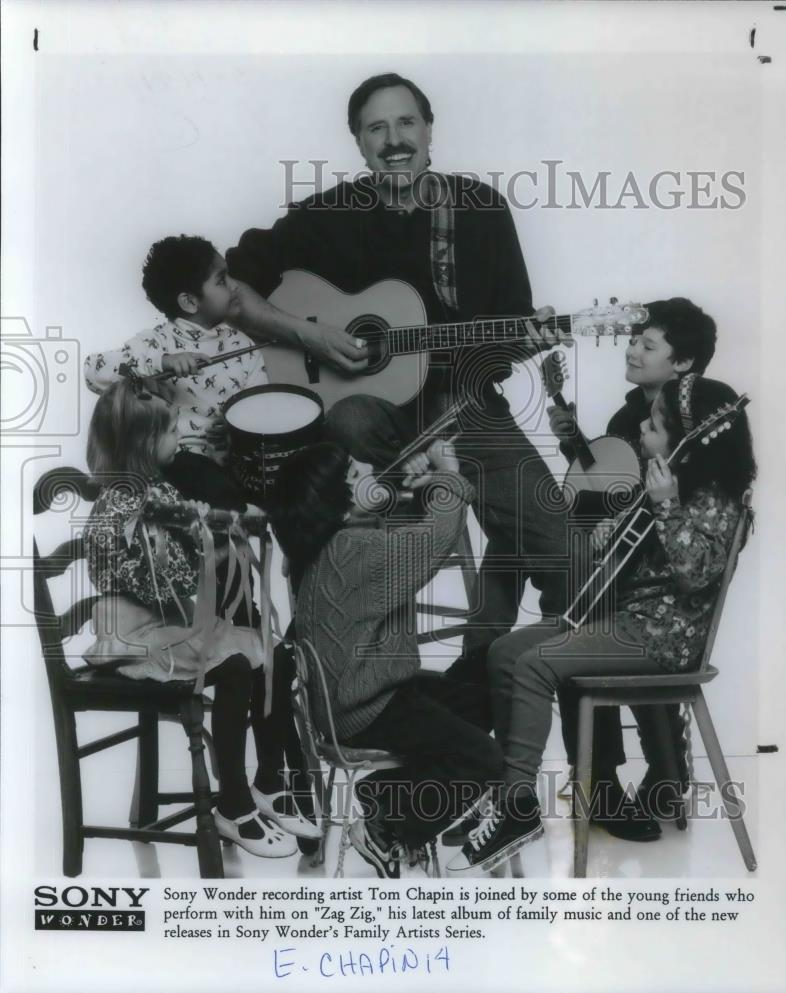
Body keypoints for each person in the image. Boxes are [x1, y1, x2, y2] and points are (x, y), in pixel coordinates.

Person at [227, 72, 572, 659]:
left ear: (430, 129)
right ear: (358, 142)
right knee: (352, 417)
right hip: (368, 421)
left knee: (569, 554)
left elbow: (510, 325)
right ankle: (447, 492)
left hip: (463, 405)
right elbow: (228, 290)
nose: (394, 140)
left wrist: (525, 338)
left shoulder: (480, 210)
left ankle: (476, 681)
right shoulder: (325, 215)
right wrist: (308, 335)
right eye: (376, 127)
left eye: (406, 122)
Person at [446, 374, 755, 873]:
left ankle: (516, 806)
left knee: (535, 665)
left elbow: (696, 576)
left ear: (685, 439)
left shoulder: (715, 498)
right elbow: (629, 560)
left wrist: (665, 505)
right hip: (624, 621)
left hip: (664, 639)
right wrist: (605, 531)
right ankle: (505, 790)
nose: (642, 427)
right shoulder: (662, 478)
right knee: (505, 651)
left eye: (655, 424)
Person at [82, 377, 319, 856]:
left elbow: (193, 527)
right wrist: (202, 541)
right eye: (172, 432)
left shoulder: (155, 490)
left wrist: (219, 523)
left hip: (169, 624)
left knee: (271, 652)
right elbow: (163, 586)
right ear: (146, 444)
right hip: (134, 632)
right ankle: (231, 803)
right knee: (233, 666)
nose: (181, 440)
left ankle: (268, 781)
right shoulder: (120, 506)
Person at [269, 438, 504, 878]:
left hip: (367, 695)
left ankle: (387, 791)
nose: (370, 464)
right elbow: (433, 544)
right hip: (368, 709)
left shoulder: (335, 545)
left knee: (494, 670)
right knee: (484, 759)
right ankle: (386, 826)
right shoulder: (353, 551)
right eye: (357, 474)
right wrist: (448, 472)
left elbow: (402, 546)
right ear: (339, 509)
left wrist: (427, 486)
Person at [550, 298, 718, 833]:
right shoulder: (627, 417)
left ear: (684, 364)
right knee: (569, 602)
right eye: (633, 339)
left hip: (662, 580)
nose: (632, 349)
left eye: (649, 344)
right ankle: (605, 782)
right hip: (622, 568)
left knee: (573, 616)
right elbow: (609, 488)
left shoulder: (695, 427)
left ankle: (655, 779)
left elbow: (675, 512)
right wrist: (570, 441)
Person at [84, 234, 267, 509]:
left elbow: (259, 410)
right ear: (190, 302)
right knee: (197, 474)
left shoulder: (243, 345)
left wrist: (233, 433)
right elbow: (93, 371)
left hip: (234, 463)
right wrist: (162, 363)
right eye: (221, 280)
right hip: (178, 463)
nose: (234, 287)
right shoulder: (157, 343)